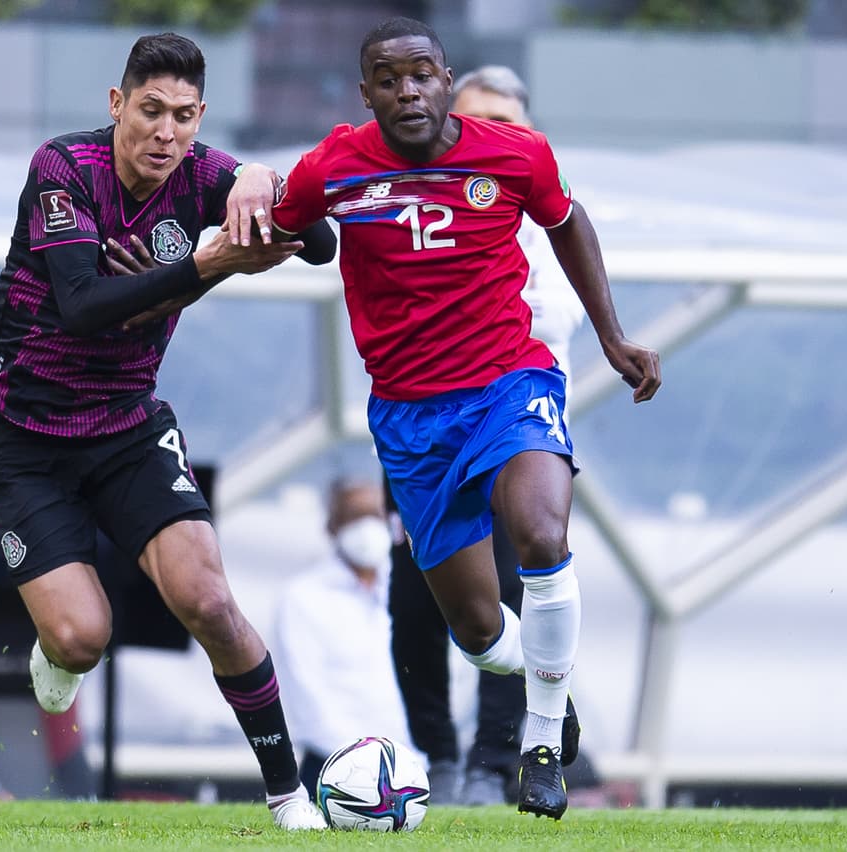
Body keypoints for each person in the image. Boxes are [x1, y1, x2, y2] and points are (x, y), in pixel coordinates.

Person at [269, 17, 660, 820]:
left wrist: (615, 338)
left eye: (422, 75)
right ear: (367, 90)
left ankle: (540, 746)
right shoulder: (334, 166)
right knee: (479, 632)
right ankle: (543, 677)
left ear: (445, 80)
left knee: (544, 537)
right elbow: (289, 225)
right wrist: (247, 213)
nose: (408, 90)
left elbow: (567, 221)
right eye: (389, 78)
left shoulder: (514, 154)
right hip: (409, 418)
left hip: (510, 385)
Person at [0, 32, 336, 830]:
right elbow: (85, 306)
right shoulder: (65, 169)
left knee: (209, 600)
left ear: (203, 118)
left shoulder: (206, 175)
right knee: (83, 638)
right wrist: (211, 265)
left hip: (128, 423)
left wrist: (266, 179)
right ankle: (57, 649)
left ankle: (287, 796)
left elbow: (322, 242)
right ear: (116, 104)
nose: (166, 133)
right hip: (27, 436)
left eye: (186, 116)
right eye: (151, 111)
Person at [387, 64, 590, 807]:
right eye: (479, 119)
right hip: (417, 424)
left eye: (510, 122)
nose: (494, 135)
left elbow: (558, 324)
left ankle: (497, 760)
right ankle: (449, 745)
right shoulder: (403, 195)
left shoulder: (540, 210)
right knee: (426, 603)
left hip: (512, 420)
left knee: (528, 568)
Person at [271, 477, 412, 797]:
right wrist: (364, 764)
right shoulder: (302, 597)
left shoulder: (414, 590)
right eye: (353, 516)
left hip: (413, 768)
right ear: (331, 525)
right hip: (330, 767)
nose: (366, 527)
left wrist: (418, 756)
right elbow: (305, 693)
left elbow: (448, 682)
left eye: (375, 516)